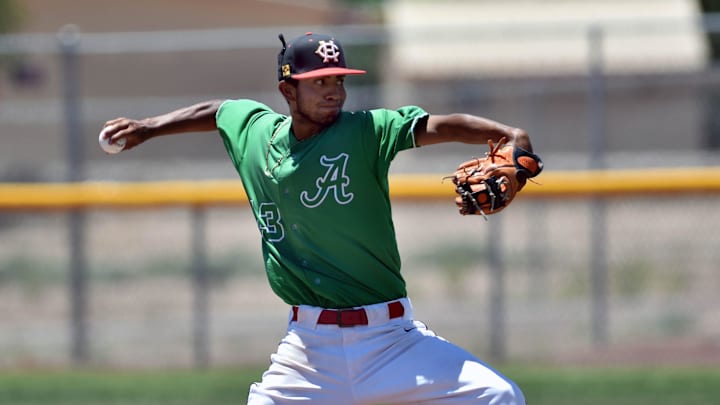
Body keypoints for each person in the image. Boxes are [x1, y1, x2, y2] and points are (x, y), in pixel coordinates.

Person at [101, 32, 534, 405]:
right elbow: (219, 111)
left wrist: (509, 136)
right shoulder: (254, 132)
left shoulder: (365, 131)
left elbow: (440, 125)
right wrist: (149, 127)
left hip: (390, 340)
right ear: (288, 91)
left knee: (498, 395)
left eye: (338, 81)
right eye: (319, 82)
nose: (333, 91)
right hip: (307, 353)